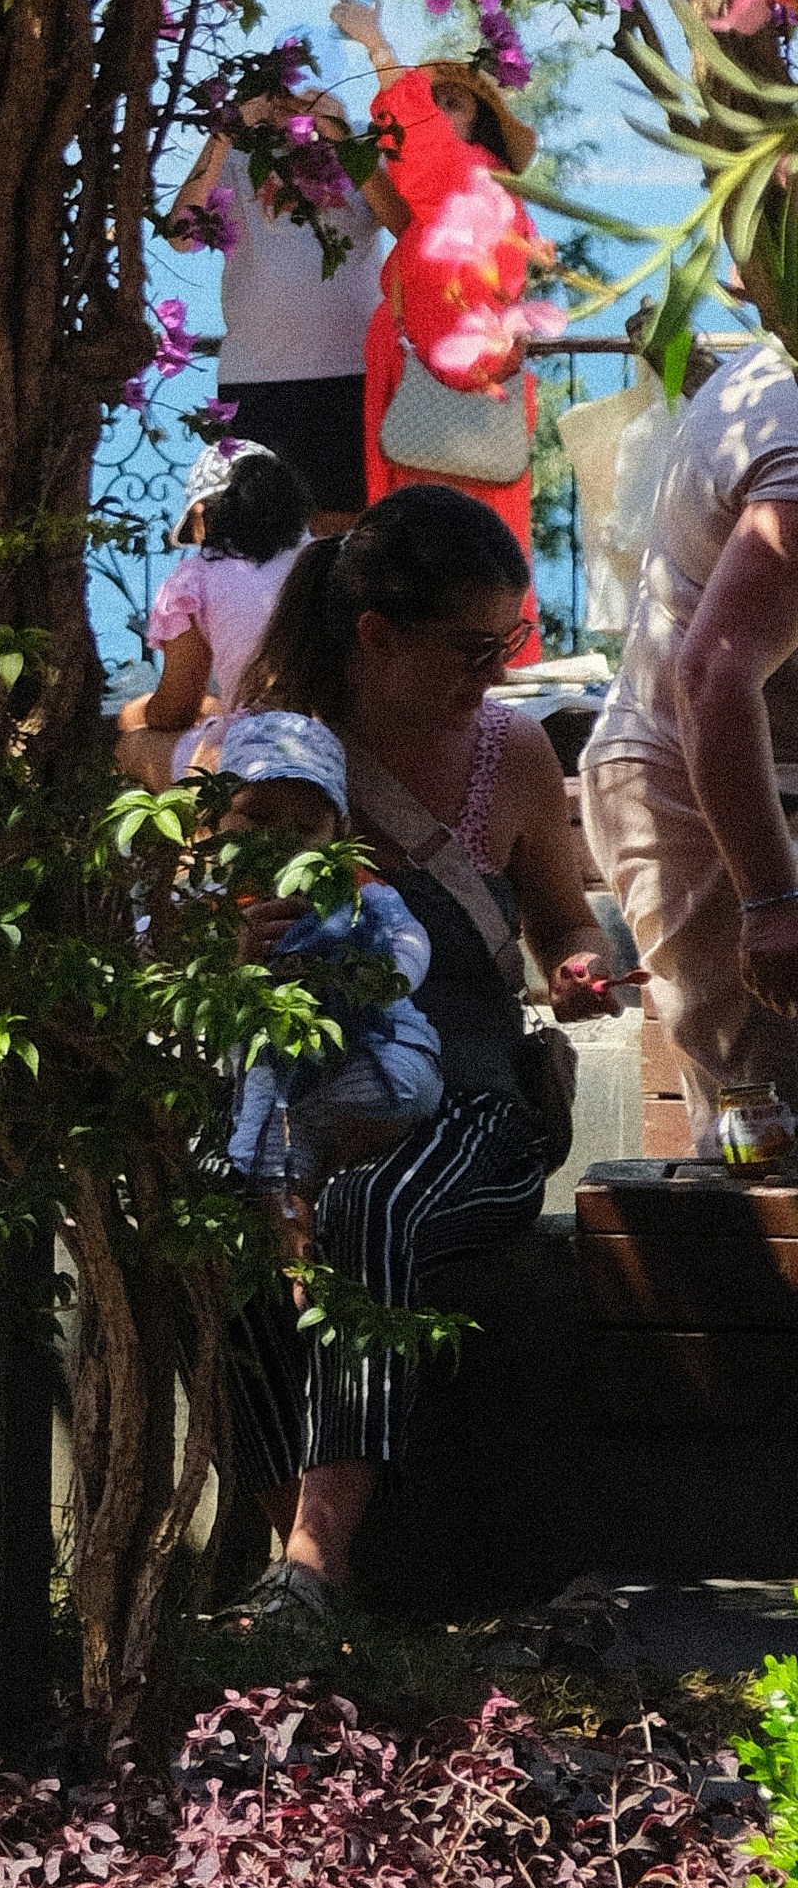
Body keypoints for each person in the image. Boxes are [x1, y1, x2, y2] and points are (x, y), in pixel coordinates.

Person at [232, 488, 613, 1630]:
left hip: (473, 1107)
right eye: (468, 651)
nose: (489, 679)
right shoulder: (279, 756)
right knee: (216, 1205)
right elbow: (189, 925)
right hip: (311, 1089)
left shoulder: (509, 757)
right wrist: (227, 934)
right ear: (374, 636)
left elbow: (565, 926)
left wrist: (579, 965)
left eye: (506, 648)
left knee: (372, 1214)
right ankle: (297, 1560)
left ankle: (313, 1564)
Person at [579, 326, 798, 1167]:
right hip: (698, 786)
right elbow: (711, 676)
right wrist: (771, 902)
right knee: (771, 1142)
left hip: (767, 758)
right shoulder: (788, 429)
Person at [330, 0, 545, 595]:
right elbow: (408, 223)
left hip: (436, 391)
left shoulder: (465, 176)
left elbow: (415, 134)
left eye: (450, 101)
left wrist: (375, 41)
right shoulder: (464, 195)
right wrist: (340, 137)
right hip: (444, 390)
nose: (432, 108)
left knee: (438, 550)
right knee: (467, 545)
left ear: (480, 123)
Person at [195, 707, 444, 1200]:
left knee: (337, 1095)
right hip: (263, 1086)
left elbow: (409, 941)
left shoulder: (352, 893)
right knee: (270, 1134)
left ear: (339, 838)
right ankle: (288, 1216)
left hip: (371, 1055)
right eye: (257, 815)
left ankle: (287, 1193)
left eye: (306, 824)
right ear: (214, 820)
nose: (282, 838)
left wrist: (367, 977)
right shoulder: (207, 904)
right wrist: (230, 961)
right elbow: (161, 972)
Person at [161, 47, 385, 520]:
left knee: (348, 532)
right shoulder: (243, 158)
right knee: (259, 538)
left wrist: (339, 135)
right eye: (284, 88)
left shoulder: (364, 146)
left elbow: (406, 225)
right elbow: (181, 235)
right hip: (258, 377)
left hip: (353, 373)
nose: (294, 101)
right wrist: (227, 130)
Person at [116, 440, 311, 786]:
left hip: (261, 752)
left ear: (204, 515)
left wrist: (139, 711)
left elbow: (175, 711)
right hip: (340, 737)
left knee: (132, 744)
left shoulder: (194, 581)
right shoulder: (325, 557)